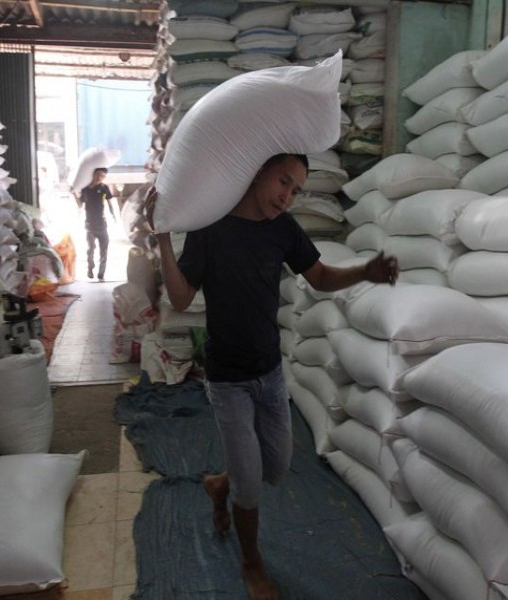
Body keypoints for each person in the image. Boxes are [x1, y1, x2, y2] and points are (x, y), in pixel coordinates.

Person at [147, 153, 398, 600]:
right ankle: (251, 563)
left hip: (269, 371)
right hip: (227, 379)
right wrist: (163, 237)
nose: (288, 195)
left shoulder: (283, 229)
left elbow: (318, 276)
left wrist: (366, 273)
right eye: (283, 181)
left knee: (276, 466)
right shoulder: (212, 228)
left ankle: (219, 484)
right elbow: (182, 298)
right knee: (250, 481)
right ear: (258, 172)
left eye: (297, 189)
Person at [76, 167, 116, 281]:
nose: (99, 177)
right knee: (90, 249)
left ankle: (101, 273)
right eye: (98, 174)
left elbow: (110, 203)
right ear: (93, 174)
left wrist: (114, 215)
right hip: (89, 226)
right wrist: (74, 194)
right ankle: (90, 268)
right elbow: (80, 205)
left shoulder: (104, 188)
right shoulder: (85, 189)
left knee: (104, 251)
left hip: (102, 225)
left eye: (102, 176)